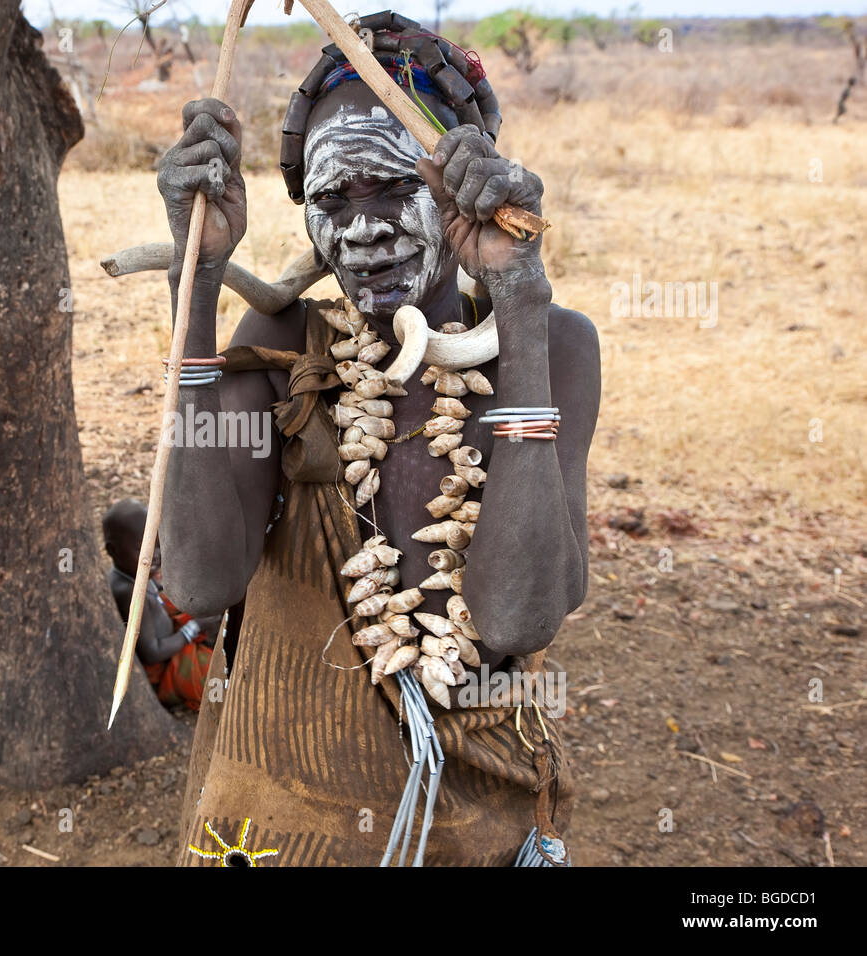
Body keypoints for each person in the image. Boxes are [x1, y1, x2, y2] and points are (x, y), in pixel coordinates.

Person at [154, 12, 600, 865]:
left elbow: (515, 614)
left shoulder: (549, 344)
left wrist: (521, 309)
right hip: (277, 829)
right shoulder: (281, 346)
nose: (361, 231)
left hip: (478, 829)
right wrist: (195, 286)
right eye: (331, 201)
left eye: (394, 189)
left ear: (462, 190)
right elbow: (199, 580)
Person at [103, 498, 220, 712]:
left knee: (198, 604)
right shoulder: (130, 593)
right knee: (217, 678)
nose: (155, 555)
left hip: (170, 638)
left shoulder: (130, 572)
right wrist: (192, 629)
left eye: (157, 544)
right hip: (164, 670)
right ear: (113, 551)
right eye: (143, 548)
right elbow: (152, 653)